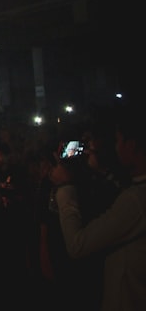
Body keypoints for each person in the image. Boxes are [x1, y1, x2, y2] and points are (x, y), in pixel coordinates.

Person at [50, 103, 146, 311]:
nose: (115, 147)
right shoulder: (126, 187)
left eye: (118, 140)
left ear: (132, 145)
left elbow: (78, 245)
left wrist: (66, 187)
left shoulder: (136, 200)